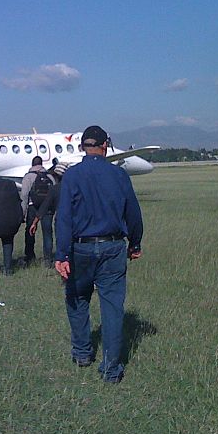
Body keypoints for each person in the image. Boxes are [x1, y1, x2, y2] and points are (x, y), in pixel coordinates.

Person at [54, 125, 143, 384]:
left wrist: (61, 255)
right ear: (106, 145)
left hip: (79, 248)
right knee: (112, 307)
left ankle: (82, 353)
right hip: (113, 246)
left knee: (77, 298)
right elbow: (134, 214)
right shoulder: (119, 175)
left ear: (82, 146)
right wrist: (134, 244)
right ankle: (111, 369)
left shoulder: (72, 176)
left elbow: (65, 219)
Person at [20, 155, 56, 266]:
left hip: (33, 207)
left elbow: (24, 195)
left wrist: (22, 213)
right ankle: (48, 259)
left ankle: (30, 256)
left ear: (32, 164)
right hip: (47, 208)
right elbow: (54, 194)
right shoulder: (50, 177)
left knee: (30, 232)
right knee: (47, 233)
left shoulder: (28, 177)